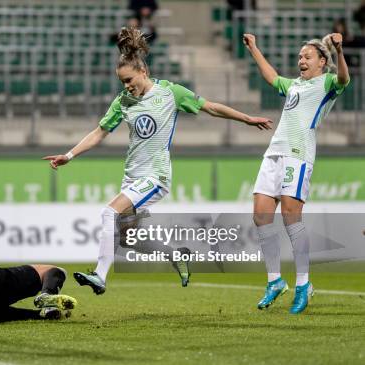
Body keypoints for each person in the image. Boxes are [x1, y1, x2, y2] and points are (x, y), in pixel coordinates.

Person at [43, 27, 273, 296]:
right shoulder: (124, 101)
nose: (127, 86)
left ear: (143, 72)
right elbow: (100, 132)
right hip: (132, 176)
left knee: (109, 213)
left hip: (155, 176)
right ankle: (177, 255)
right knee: (129, 240)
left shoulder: (170, 93)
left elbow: (210, 106)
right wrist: (69, 155)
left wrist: (247, 118)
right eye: (122, 82)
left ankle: (100, 276)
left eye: (129, 79)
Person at [243, 32, 349, 314]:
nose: (301, 60)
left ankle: (303, 284)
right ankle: (274, 281)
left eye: (307, 56)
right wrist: (254, 48)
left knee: (291, 217)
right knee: (261, 215)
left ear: (321, 62)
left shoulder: (326, 82)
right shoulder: (293, 86)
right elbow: (271, 77)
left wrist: (339, 51)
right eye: (300, 56)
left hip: (298, 155)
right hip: (274, 153)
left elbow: (343, 79)